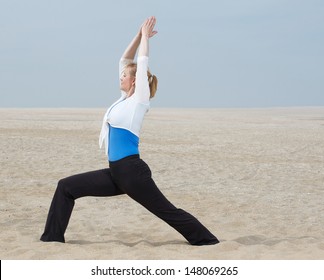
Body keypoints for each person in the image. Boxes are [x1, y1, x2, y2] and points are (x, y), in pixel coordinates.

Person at [40, 16, 219, 246]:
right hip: (116, 172)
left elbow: (141, 61)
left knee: (167, 211)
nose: (121, 76)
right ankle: (52, 238)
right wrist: (137, 35)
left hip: (132, 173)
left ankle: (207, 240)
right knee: (66, 187)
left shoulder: (138, 102)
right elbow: (125, 59)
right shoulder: (124, 100)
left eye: (125, 75)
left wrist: (146, 38)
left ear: (135, 81)